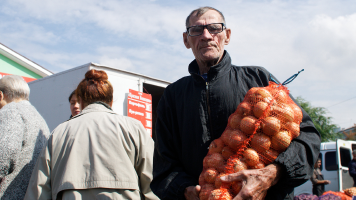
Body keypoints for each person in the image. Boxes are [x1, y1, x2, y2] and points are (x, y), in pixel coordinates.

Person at [150, 6, 321, 200]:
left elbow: (308, 137)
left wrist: (271, 174)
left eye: (214, 28)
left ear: (227, 35)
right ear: (186, 40)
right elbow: (164, 166)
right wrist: (185, 189)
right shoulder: (173, 95)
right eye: (196, 30)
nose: (206, 36)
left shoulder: (259, 79)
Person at [24, 69, 158, 200]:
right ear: (111, 101)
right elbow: (153, 181)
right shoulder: (133, 128)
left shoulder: (59, 132)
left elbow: (39, 190)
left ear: (80, 101)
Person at [0, 75, 50, 199]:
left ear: (1, 95)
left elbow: (6, 153)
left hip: (9, 194)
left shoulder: (10, 111)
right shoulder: (39, 119)